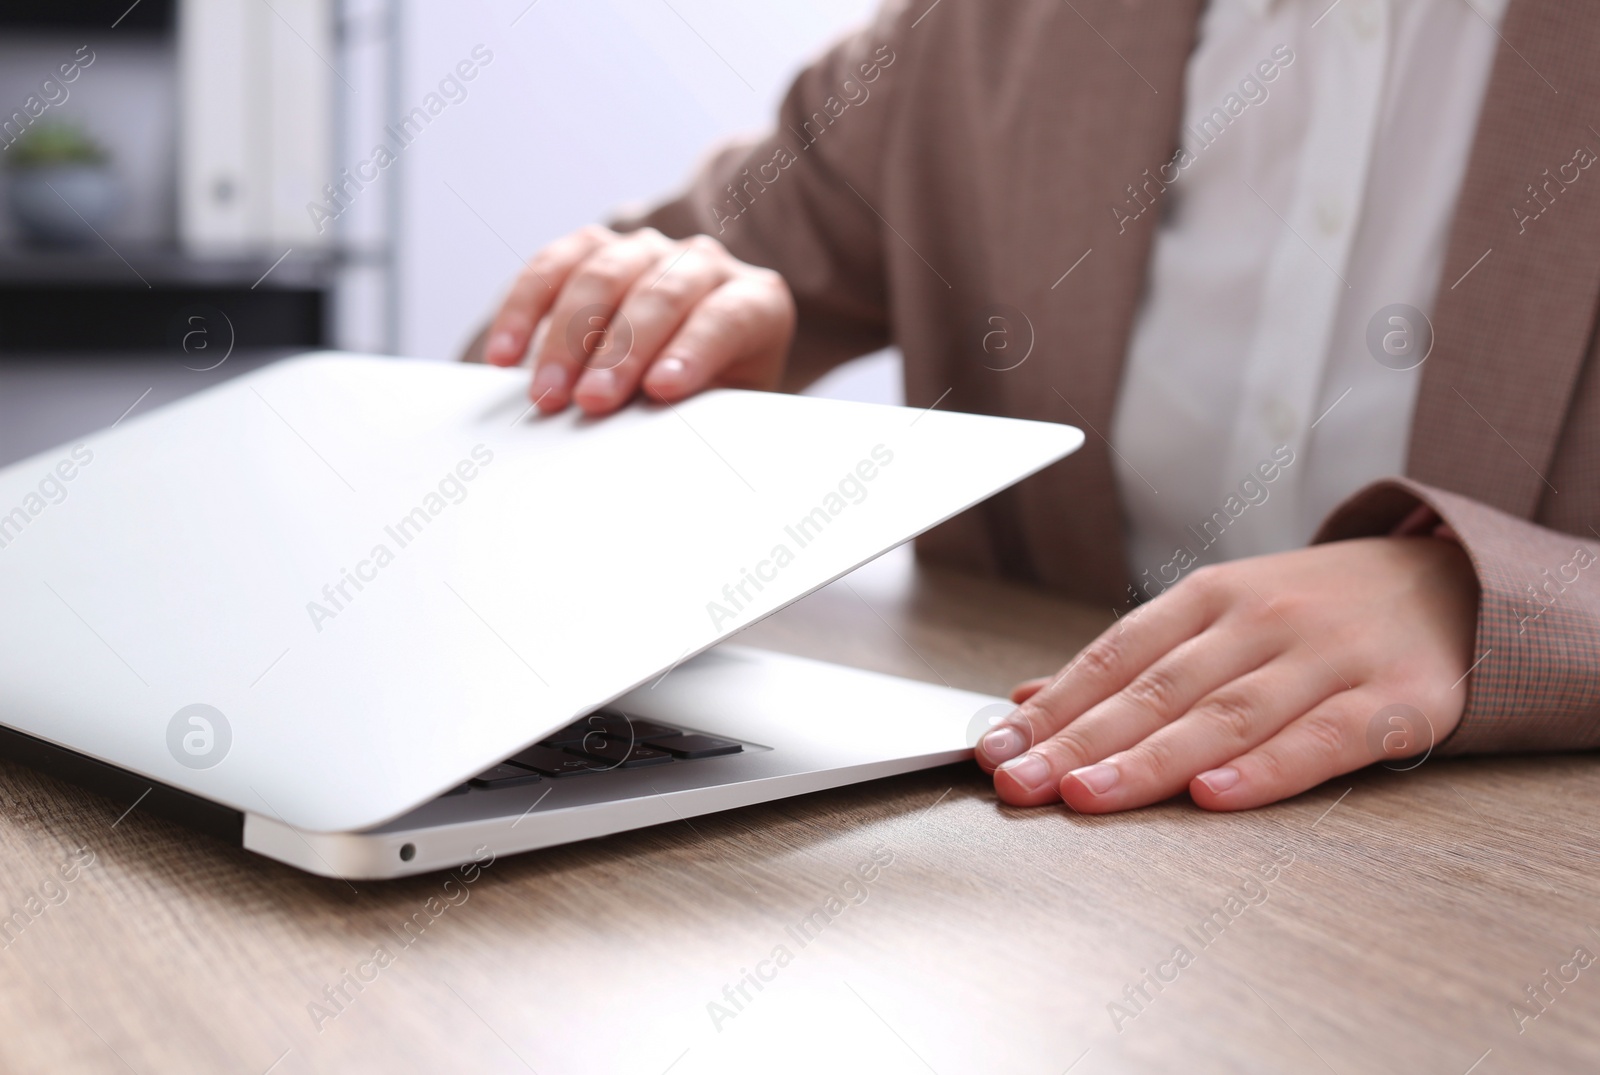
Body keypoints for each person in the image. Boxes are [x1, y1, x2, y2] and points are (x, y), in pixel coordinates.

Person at [466, 0, 1600, 815]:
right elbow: (501, 379)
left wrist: (1494, 602)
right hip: (1034, 873)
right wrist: (643, 362)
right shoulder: (978, 33)